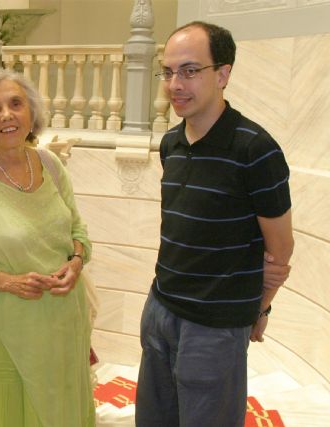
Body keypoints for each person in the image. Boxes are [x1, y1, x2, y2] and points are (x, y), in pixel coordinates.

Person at [135, 21, 295, 426]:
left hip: (215, 326)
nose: (175, 84)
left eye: (189, 70)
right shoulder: (171, 142)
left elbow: (280, 249)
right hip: (160, 307)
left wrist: (259, 308)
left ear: (222, 74)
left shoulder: (256, 150)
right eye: (168, 72)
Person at [0, 69, 95, 427]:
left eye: (15, 104)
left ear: (31, 113)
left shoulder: (51, 164)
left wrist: (76, 261)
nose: (6, 115)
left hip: (65, 323)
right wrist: (8, 281)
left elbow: (77, 229)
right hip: (13, 331)